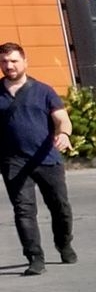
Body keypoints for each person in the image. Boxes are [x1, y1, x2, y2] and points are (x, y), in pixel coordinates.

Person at [1, 42, 74, 275]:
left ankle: (63, 243)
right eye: (4, 61)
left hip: (46, 158)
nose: (9, 65)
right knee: (23, 210)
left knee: (60, 207)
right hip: (13, 161)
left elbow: (62, 118)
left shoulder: (43, 90)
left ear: (24, 62)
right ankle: (34, 257)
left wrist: (63, 133)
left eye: (13, 60)